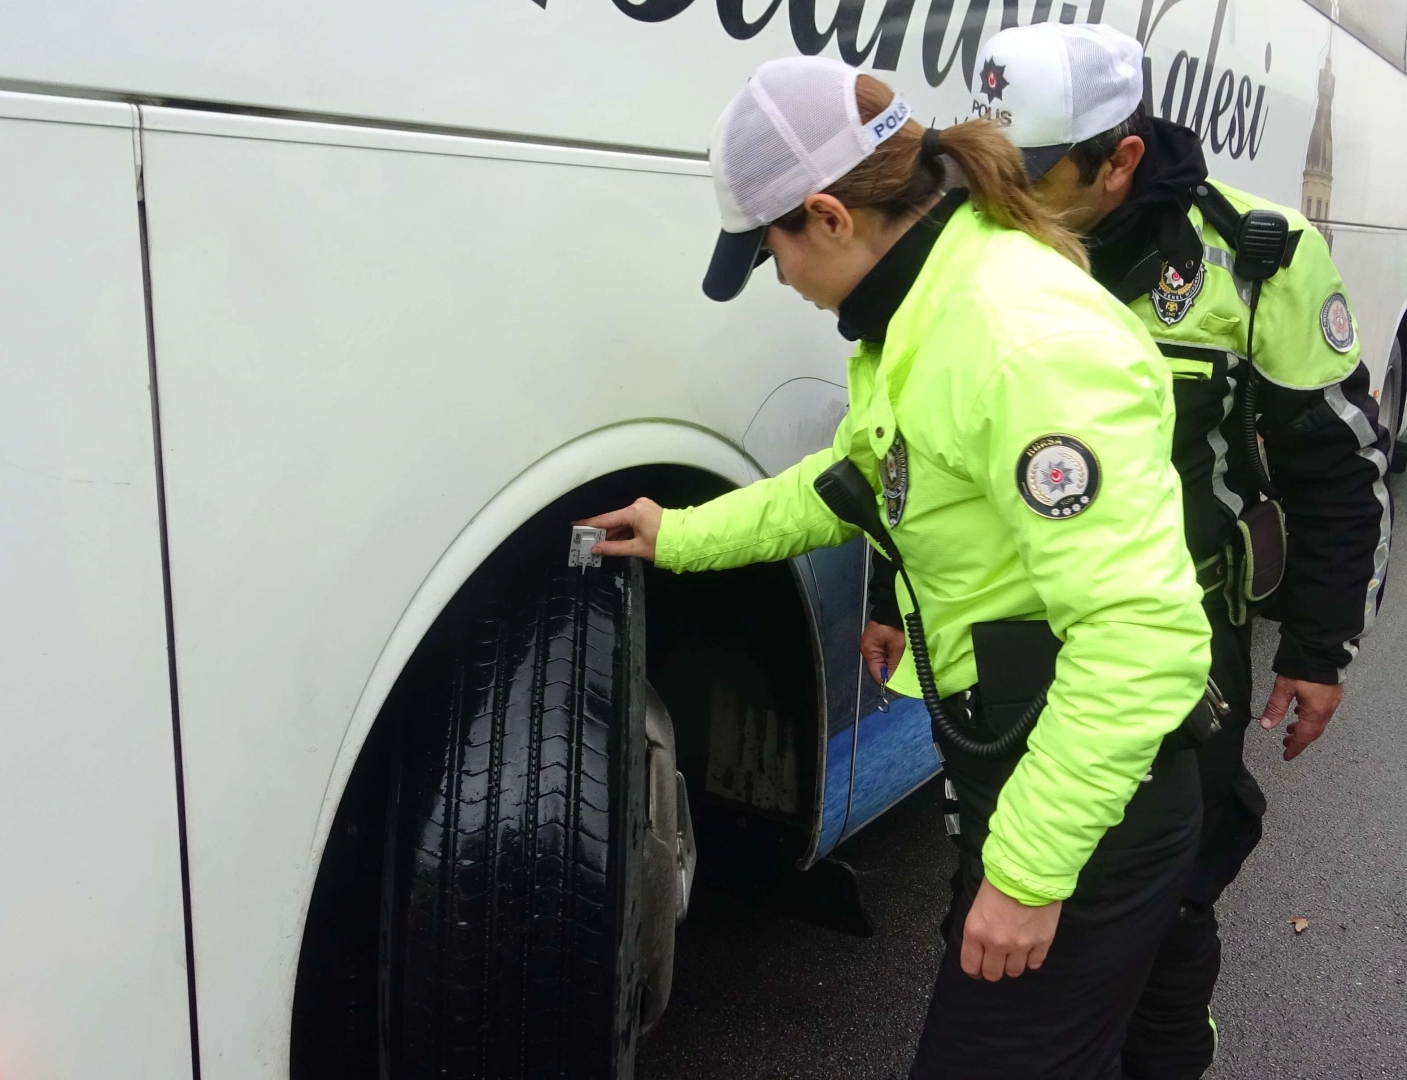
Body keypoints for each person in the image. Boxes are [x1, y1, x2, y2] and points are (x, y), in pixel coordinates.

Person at [582, 55, 1214, 1076]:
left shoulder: (1015, 337)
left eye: (770, 250)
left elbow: (1143, 642)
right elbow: (849, 480)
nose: (778, 278)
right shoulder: (929, 313)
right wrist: (679, 533)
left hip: (1092, 803)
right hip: (1031, 765)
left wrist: (1024, 874)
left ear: (829, 218)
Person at [962, 22, 1394, 1079]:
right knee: (1000, 871)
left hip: (1181, 639)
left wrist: (1320, 651)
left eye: (1032, 175)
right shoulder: (976, 243)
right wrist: (888, 589)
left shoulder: (1258, 259)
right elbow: (920, 442)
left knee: (1175, 888)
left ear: (1120, 159)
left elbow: (1336, 470)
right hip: (1008, 634)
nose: (996, 199)